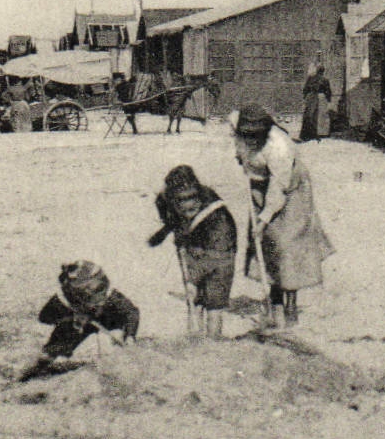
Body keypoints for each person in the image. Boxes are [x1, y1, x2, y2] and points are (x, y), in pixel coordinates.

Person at [232, 105, 334, 329]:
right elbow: (235, 134)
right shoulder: (238, 127)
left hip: (290, 188)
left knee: (287, 244)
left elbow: (279, 188)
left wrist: (264, 218)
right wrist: (241, 157)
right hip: (259, 185)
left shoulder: (279, 146)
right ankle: (274, 297)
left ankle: (290, 302)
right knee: (265, 243)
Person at [148, 165, 238, 338]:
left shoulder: (215, 209)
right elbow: (171, 220)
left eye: (192, 204)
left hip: (218, 251)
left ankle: (213, 341)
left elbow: (225, 246)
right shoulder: (163, 199)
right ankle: (194, 338)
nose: (188, 210)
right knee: (194, 299)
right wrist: (165, 233)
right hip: (192, 249)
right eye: (182, 203)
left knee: (214, 304)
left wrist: (203, 267)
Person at [19, 261, 139, 381]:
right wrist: (73, 316)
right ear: (76, 294)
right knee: (47, 356)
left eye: (100, 285)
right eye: (91, 290)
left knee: (115, 344)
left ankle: (115, 375)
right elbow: (45, 317)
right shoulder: (62, 300)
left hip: (107, 321)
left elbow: (131, 312)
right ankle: (31, 376)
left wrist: (130, 337)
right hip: (77, 325)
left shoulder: (110, 297)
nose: (100, 293)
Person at [299, 62, 333, 141]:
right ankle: (321, 133)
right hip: (321, 98)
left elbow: (305, 90)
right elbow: (328, 91)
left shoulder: (310, 78)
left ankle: (308, 134)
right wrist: (329, 100)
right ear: (323, 71)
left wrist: (305, 98)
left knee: (310, 115)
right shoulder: (325, 80)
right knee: (321, 116)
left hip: (310, 98)